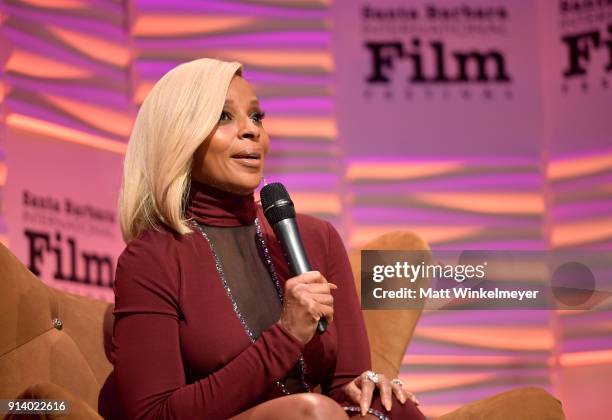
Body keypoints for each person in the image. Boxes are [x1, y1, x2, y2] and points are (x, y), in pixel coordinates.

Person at [99, 58, 425, 420]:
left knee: (391, 406)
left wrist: (366, 388)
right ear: (178, 136)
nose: (251, 131)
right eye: (224, 117)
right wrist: (285, 336)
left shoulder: (317, 238)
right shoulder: (152, 259)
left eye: (257, 117)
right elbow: (152, 415)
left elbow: (344, 383)